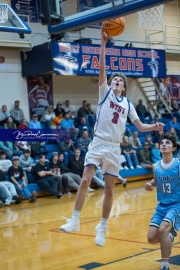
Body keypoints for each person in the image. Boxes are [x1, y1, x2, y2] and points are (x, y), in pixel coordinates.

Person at [59, 28, 164, 247]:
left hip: (114, 148)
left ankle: (103, 227)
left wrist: (154, 125)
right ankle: (75, 220)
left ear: (124, 88)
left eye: (119, 81)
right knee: (86, 180)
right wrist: (103, 44)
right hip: (98, 142)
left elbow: (140, 126)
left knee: (109, 189)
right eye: (113, 79)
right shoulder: (104, 92)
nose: (115, 81)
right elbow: (102, 67)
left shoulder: (127, 104)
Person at [145, 133, 180, 270]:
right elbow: (156, 180)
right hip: (161, 206)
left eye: (168, 143)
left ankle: (165, 265)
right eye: (162, 143)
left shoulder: (178, 164)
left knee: (163, 229)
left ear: (173, 148)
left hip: (176, 204)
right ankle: (168, 237)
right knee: (151, 238)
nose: (164, 144)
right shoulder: (156, 166)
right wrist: (150, 184)